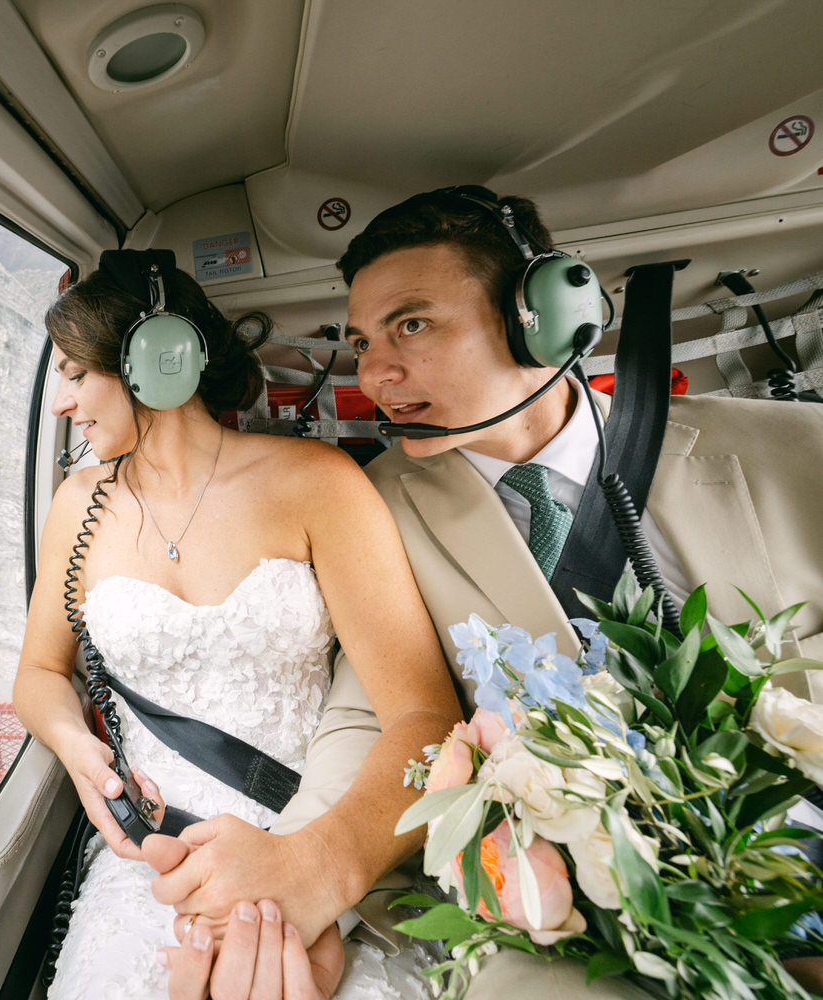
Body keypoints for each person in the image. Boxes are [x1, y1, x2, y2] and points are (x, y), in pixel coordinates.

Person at [163, 186, 823, 998]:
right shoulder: (375, 507)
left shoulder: (795, 452)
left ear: (542, 318)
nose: (374, 372)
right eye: (362, 340)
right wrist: (308, 881)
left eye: (412, 324)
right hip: (566, 911)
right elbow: (368, 716)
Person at [12, 249, 461, 999]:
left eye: (75, 372)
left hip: (318, 833)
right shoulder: (75, 505)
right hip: (153, 868)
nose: (60, 403)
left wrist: (320, 867)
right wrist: (74, 745)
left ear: (156, 358)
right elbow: (38, 673)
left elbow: (424, 716)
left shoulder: (319, 486)